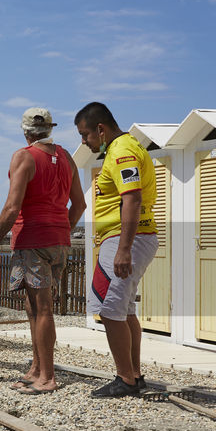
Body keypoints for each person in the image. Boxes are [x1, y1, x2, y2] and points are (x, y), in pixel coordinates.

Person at [0, 108, 85, 395]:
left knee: (42, 308)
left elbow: (11, 207)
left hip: (32, 240)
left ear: (26, 131)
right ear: (50, 129)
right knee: (34, 306)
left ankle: (48, 377)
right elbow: (79, 206)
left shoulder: (24, 156)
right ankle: (36, 368)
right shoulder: (67, 157)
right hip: (58, 241)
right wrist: (61, 230)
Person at [74, 102, 158, 398]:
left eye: (85, 134)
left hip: (126, 238)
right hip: (129, 237)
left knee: (110, 311)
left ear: (101, 129)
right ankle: (133, 374)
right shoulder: (124, 147)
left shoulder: (122, 151)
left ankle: (126, 379)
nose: (83, 141)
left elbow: (132, 198)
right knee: (124, 310)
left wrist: (123, 249)